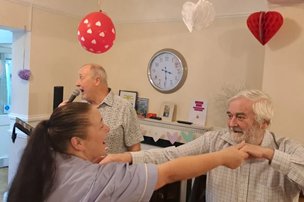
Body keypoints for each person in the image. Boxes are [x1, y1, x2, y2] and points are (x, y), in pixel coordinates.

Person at [7, 102, 248, 202]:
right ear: (77, 142)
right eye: (101, 124)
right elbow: (169, 173)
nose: (108, 129)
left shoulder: (45, 157)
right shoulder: (99, 178)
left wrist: (126, 156)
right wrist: (222, 158)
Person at [101, 89, 304, 202]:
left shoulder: (286, 148)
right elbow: (171, 155)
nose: (232, 124)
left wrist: (269, 154)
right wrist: (126, 157)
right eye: (230, 116)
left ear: (264, 123)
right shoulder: (214, 140)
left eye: (240, 117)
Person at [76, 63, 143, 153]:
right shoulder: (80, 108)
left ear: (97, 81)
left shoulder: (124, 107)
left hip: (114, 167)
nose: (77, 83)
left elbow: (135, 149)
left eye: (81, 77)